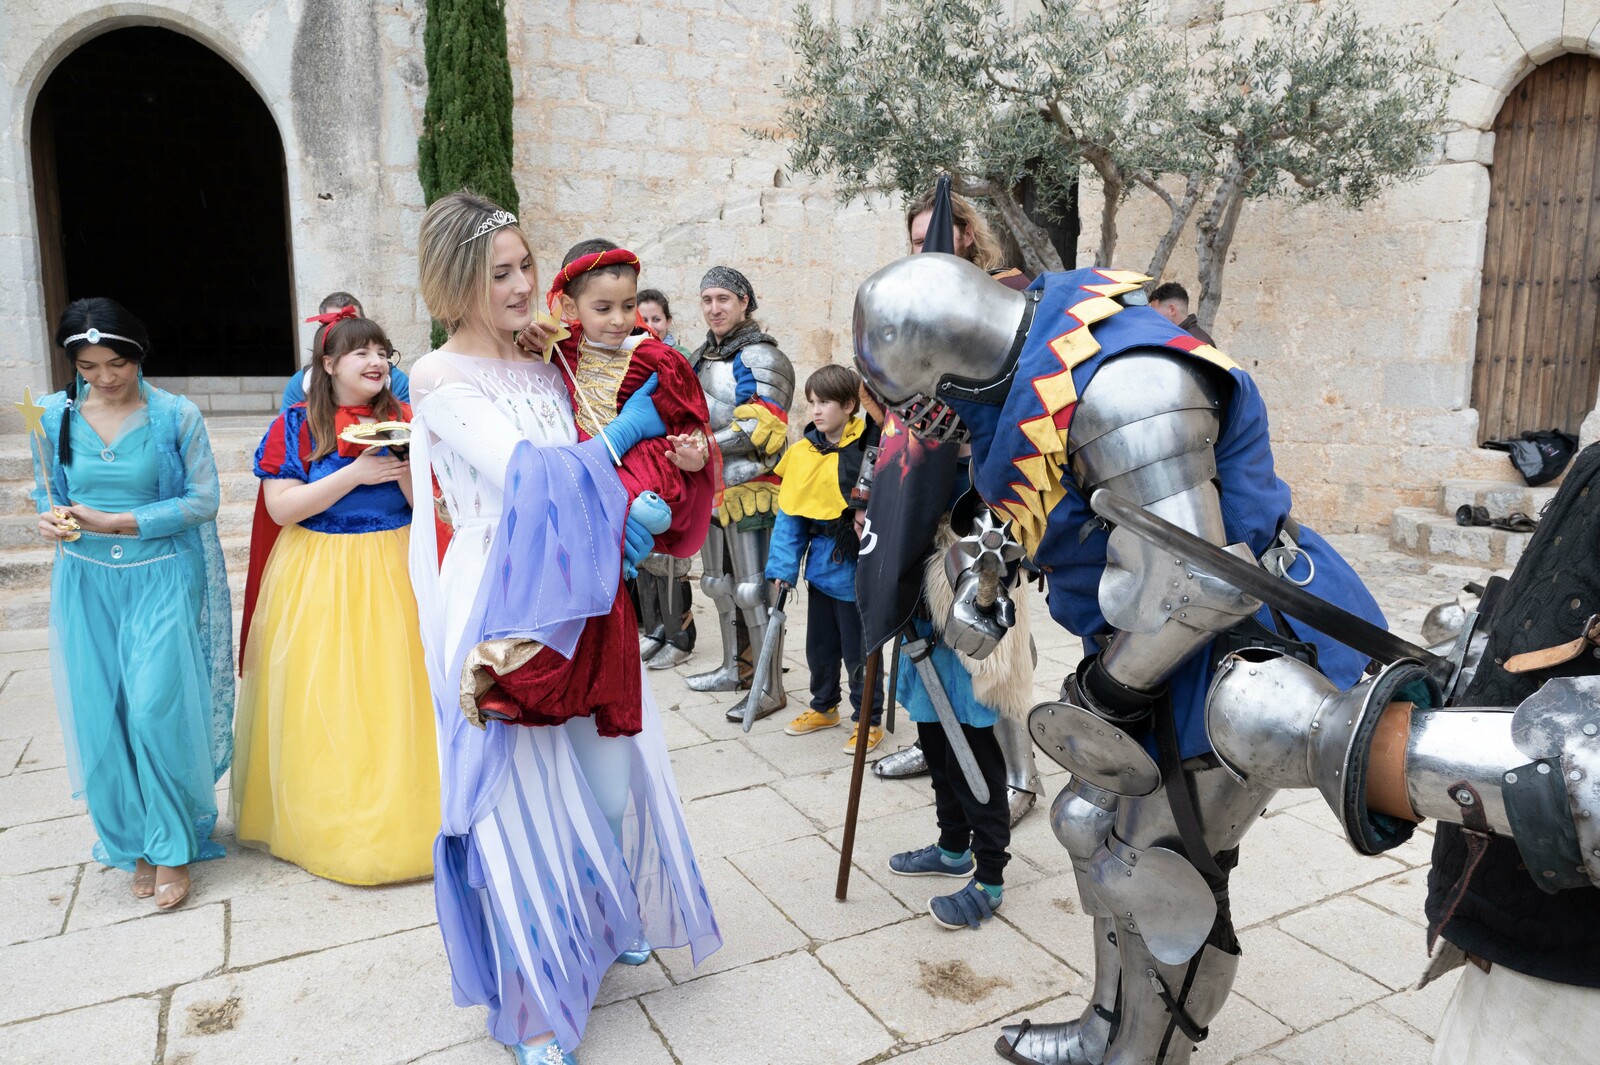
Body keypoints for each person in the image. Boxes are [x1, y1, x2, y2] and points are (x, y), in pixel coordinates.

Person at [851, 255, 1385, 1065]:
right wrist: (981, 572)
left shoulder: (1125, 389)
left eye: (927, 407)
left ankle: (1143, 1048)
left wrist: (1103, 693)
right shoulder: (1041, 352)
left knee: (1151, 858)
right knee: (1089, 823)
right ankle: (1111, 1023)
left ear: (951, 376)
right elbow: (1061, 502)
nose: (930, 428)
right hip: (1151, 641)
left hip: (1233, 648)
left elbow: (1204, 578)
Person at [407, 191, 720, 1065]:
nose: (518, 285)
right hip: (502, 596)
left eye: (523, 266)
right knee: (513, 798)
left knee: (609, 773)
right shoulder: (437, 378)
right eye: (496, 272)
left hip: (586, 579)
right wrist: (630, 429)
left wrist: (676, 462)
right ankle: (531, 1002)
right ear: (454, 280)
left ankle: (604, 909)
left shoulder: (551, 364)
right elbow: (525, 477)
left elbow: (603, 461)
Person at [30, 298, 234, 911]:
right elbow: (49, 488)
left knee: (152, 710)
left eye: (115, 363)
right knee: (103, 714)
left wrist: (121, 520)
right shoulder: (51, 415)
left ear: (138, 356)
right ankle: (134, 842)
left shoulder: (176, 415)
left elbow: (203, 501)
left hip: (161, 574)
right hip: (85, 579)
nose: (104, 377)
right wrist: (53, 518)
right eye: (88, 366)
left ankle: (173, 845)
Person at [230, 309, 437, 885]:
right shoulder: (296, 424)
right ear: (328, 365)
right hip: (320, 569)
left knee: (399, 692)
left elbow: (429, 511)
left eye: (382, 351)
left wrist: (399, 470)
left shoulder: (408, 419)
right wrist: (354, 474)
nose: (375, 362)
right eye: (359, 353)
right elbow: (281, 508)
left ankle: (412, 817)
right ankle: (330, 823)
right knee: (328, 694)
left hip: (395, 564)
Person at [875, 187, 1044, 828]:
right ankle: (934, 743)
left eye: (935, 238)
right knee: (931, 635)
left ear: (967, 236)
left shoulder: (1006, 300)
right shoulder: (913, 306)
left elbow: (1027, 405)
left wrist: (970, 436)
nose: (925, 251)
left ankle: (1021, 774)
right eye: (916, 243)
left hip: (991, 495)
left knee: (994, 636)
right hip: (925, 490)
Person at [885, 489, 1036, 929]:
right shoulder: (904, 431)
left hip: (975, 583)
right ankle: (953, 850)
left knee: (971, 757)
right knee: (936, 745)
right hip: (922, 615)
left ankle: (989, 880)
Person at [685, 266, 797, 724]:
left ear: (744, 302)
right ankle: (736, 667)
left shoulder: (761, 358)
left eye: (723, 299)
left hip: (752, 486)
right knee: (717, 584)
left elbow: (763, 424)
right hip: (708, 482)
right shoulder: (698, 356)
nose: (714, 308)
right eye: (707, 299)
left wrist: (705, 443)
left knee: (755, 590)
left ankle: (770, 687)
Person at [765, 365, 882, 751]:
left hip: (856, 570)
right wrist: (783, 568)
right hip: (820, 568)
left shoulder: (869, 451)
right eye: (812, 402)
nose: (816, 411)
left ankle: (868, 719)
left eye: (826, 402)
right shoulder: (802, 453)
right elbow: (790, 517)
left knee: (858, 651)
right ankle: (823, 706)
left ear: (850, 405)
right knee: (820, 647)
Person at [280, 292, 412, 411]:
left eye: (351, 323)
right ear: (329, 364)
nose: (376, 362)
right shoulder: (302, 383)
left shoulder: (396, 382)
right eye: (334, 324)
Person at [1148, 281, 1217, 347]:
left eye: (1155, 313)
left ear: (1172, 310)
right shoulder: (1175, 337)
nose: (1153, 318)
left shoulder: (1197, 343)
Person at [636, 287, 689, 356]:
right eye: (643, 320)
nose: (650, 327)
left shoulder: (680, 356)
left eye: (656, 319)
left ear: (668, 322)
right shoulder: (627, 355)